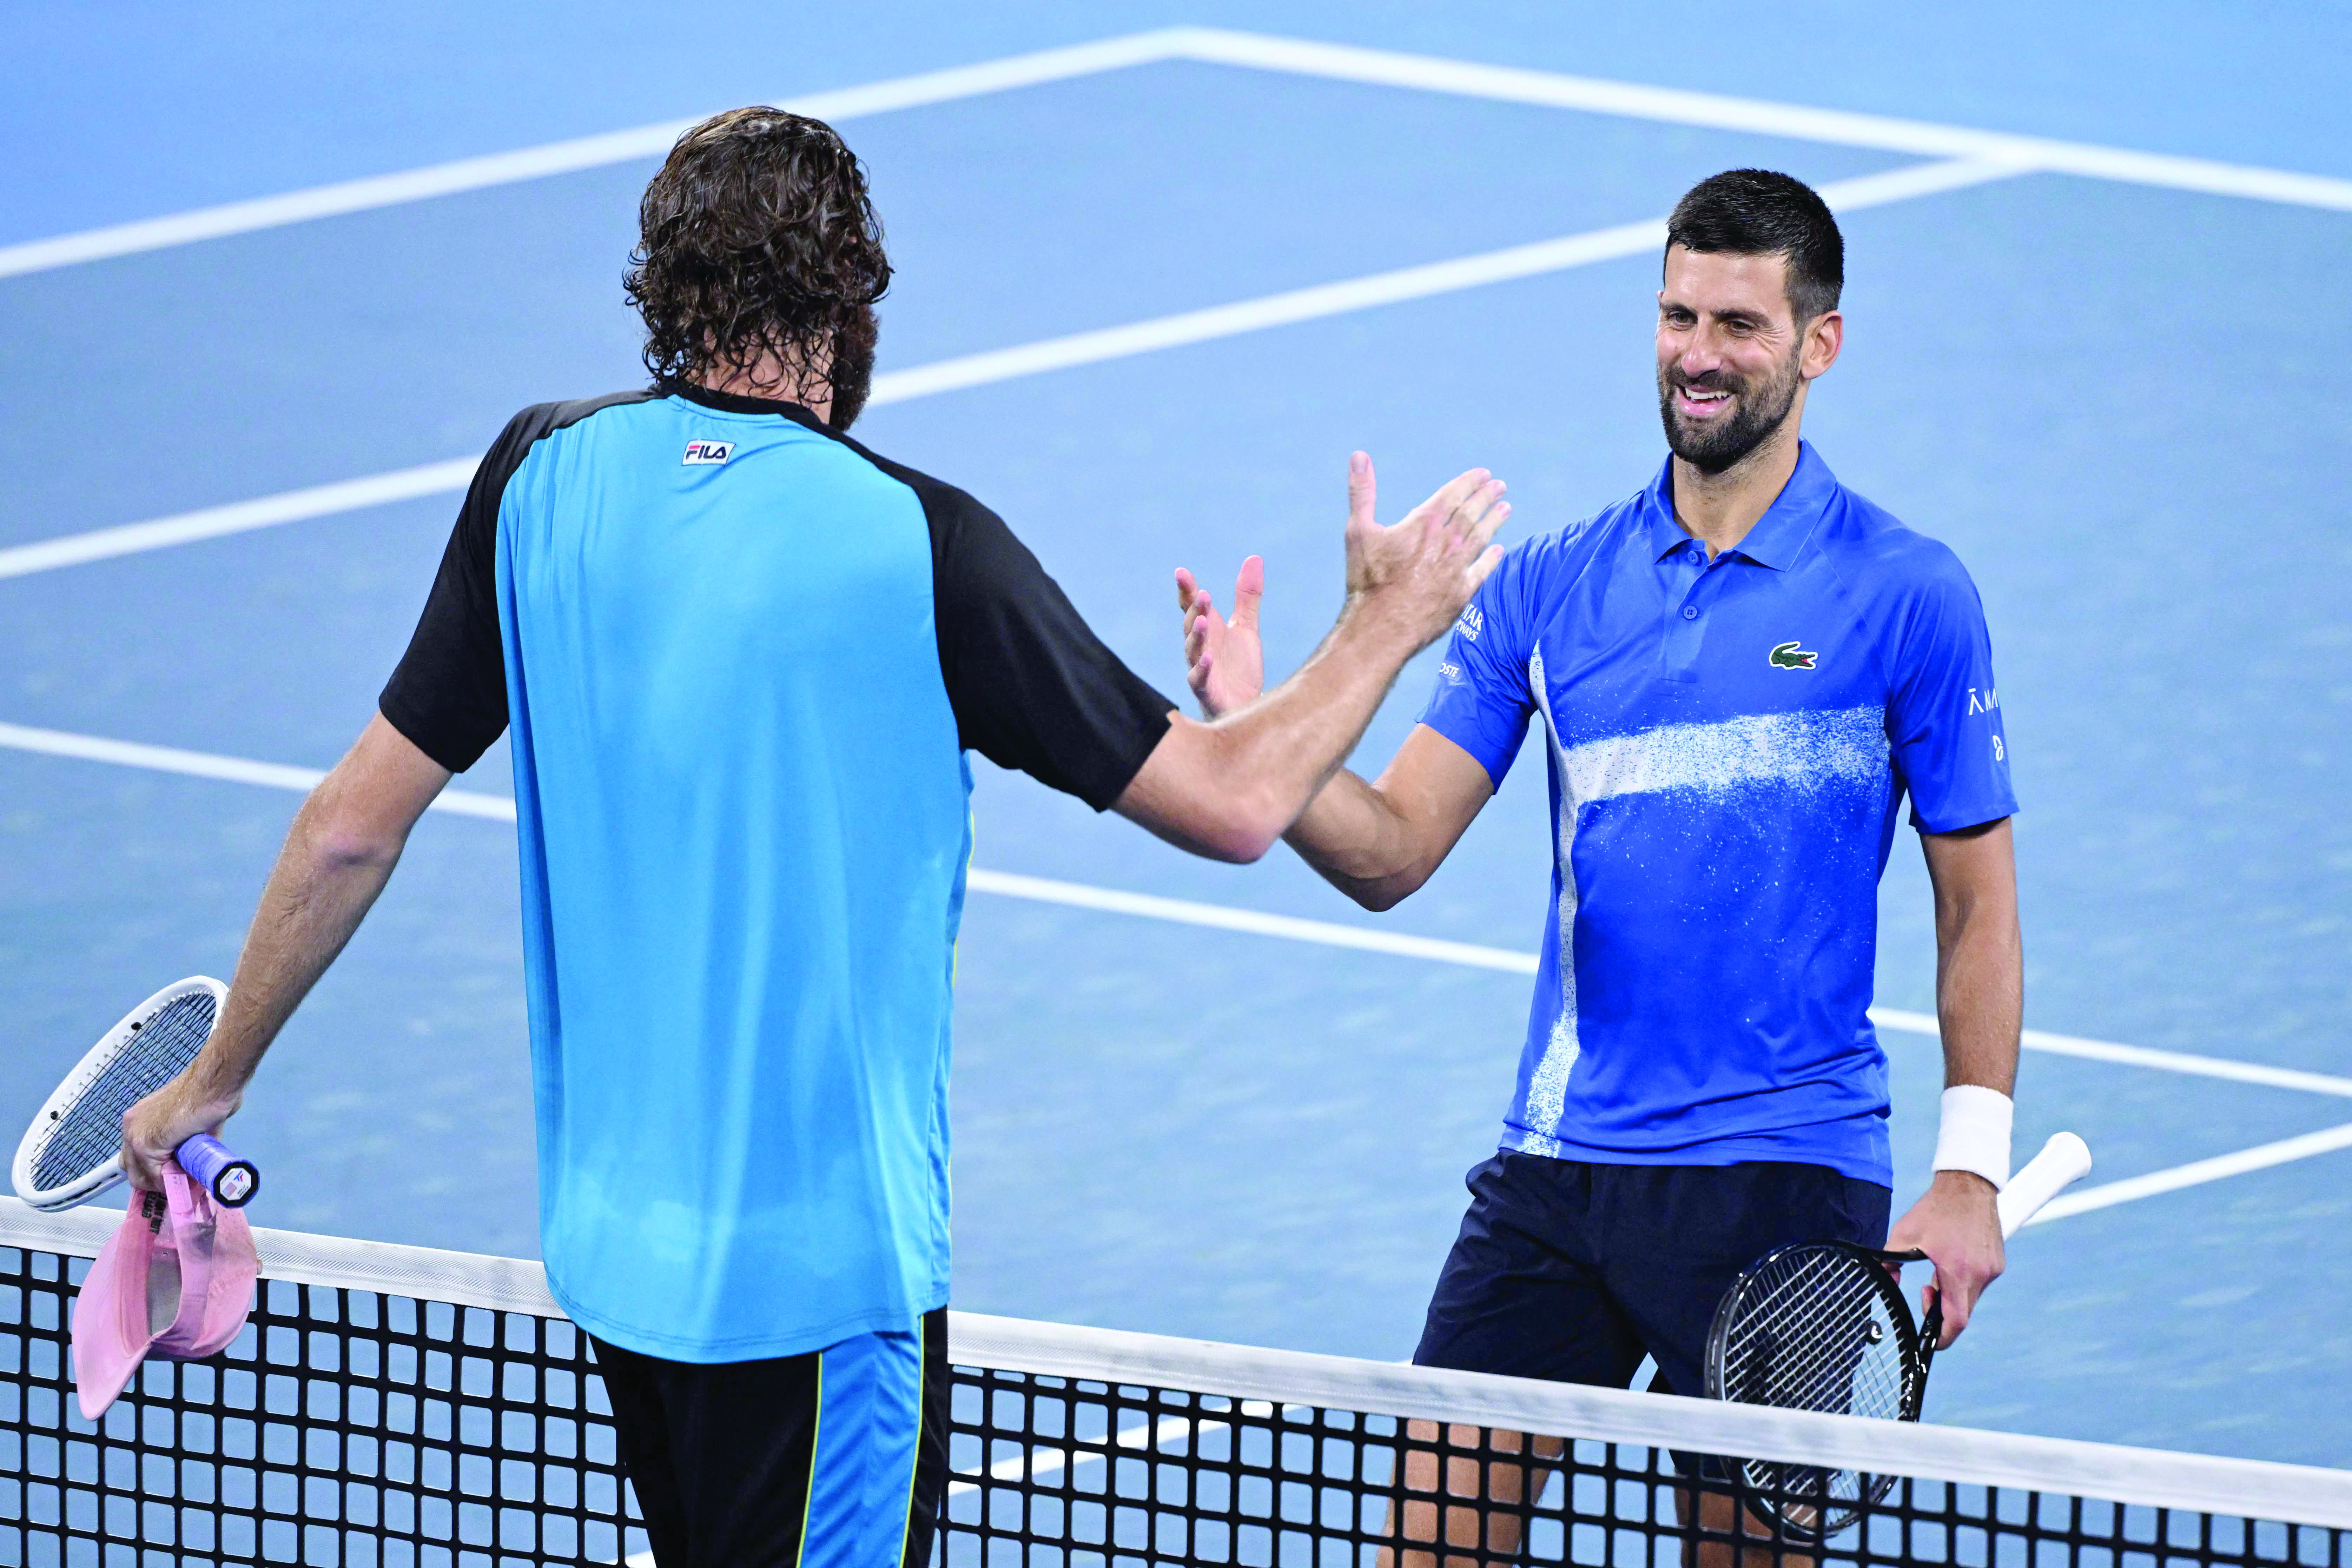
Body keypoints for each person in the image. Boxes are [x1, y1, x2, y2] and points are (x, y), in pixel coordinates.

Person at [119, 107, 1508, 1568]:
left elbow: (348, 830)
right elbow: (1231, 802)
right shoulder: (920, 544)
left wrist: (210, 1084)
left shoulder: (535, 478)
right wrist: (1383, 625)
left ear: (661, 289)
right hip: (821, 1293)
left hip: (618, 1271)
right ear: (854, 301)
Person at [1177, 168, 2021, 1565]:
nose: (1698, 354)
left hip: (1784, 1178)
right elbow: (1389, 850)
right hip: (1558, 1171)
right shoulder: (1546, 589)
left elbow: (1975, 897)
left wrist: (1971, 1168)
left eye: (1740, 324)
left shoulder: (1907, 593)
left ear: (1819, 344)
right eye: (1678, 313)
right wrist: (1267, 737)